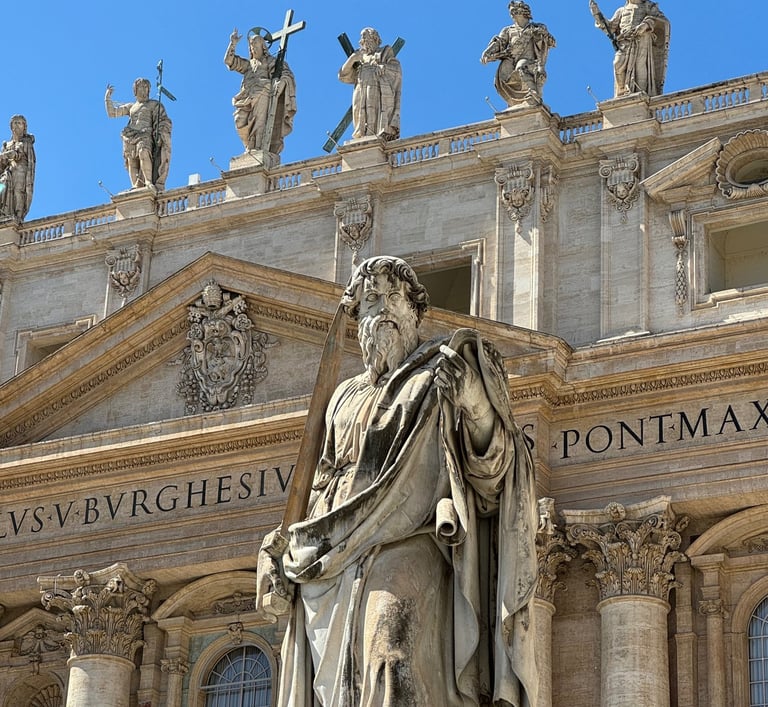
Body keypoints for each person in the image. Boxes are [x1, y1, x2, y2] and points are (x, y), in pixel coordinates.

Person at [258, 256, 538, 706]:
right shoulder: (342, 398)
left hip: (409, 535)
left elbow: (495, 474)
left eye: (395, 297)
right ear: (358, 317)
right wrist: (285, 546)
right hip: (333, 555)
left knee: (392, 656)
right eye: (372, 299)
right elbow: (320, 483)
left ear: (415, 311)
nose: (384, 307)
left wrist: (474, 405)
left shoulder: (440, 374)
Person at [224, 28, 297, 158]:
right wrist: (233, 44)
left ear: (263, 46)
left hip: (263, 92)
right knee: (239, 120)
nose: (253, 48)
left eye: (256, 44)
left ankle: (256, 149)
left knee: (259, 123)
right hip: (246, 95)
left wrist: (280, 84)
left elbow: (286, 74)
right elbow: (229, 61)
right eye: (251, 45)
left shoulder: (270, 61)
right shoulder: (248, 65)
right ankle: (249, 147)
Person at [481, 2, 556, 108]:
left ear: (523, 11)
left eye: (514, 10)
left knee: (521, 67)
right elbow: (499, 42)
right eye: (511, 12)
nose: (512, 14)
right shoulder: (508, 30)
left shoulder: (537, 27)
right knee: (503, 78)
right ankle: (516, 102)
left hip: (529, 59)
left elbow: (550, 42)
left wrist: (543, 35)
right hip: (511, 58)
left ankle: (532, 93)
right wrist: (488, 52)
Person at [104, 78, 172, 191]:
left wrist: (160, 131)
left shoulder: (154, 104)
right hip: (129, 134)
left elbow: (163, 120)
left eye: (146, 87)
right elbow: (113, 113)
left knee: (144, 152)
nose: (144, 89)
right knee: (131, 160)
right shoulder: (131, 107)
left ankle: (148, 181)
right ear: (135, 90)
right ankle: (135, 185)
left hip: (145, 134)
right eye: (141, 87)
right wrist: (107, 98)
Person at [591, 0, 669, 97]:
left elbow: (660, 20)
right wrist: (596, 13)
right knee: (618, 64)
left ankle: (642, 93)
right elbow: (610, 28)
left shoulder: (648, 6)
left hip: (642, 38)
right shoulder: (621, 11)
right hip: (624, 42)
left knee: (640, 66)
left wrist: (646, 25)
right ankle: (622, 91)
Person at [339, 28, 402, 141]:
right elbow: (342, 75)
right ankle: (361, 134)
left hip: (375, 83)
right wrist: (352, 59)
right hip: (360, 85)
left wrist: (384, 67)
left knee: (372, 108)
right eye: (362, 37)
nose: (362, 40)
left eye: (365, 36)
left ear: (374, 38)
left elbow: (396, 68)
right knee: (358, 109)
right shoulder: (358, 55)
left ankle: (372, 135)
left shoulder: (384, 51)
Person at [0, 115, 35, 223]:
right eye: (15, 123)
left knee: (18, 193)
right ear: (11, 126)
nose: (16, 125)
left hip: (21, 172)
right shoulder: (6, 144)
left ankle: (18, 217)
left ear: (24, 126)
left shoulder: (26, 143)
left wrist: (13, 155)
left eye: (19, 123)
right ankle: (3, 213)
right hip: (7, 172)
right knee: (1, 188)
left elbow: (30, 161)